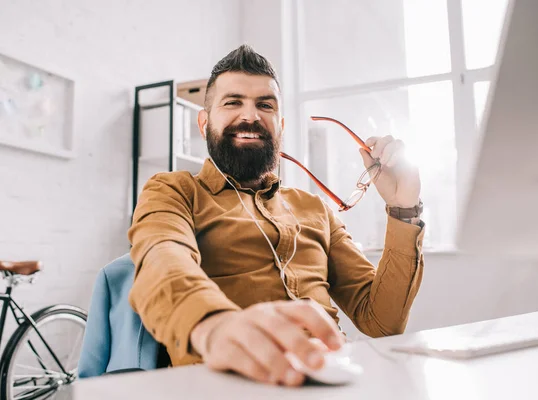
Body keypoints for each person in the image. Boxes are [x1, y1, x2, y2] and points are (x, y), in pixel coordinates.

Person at [128, 44, 425, 387]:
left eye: (265, 105)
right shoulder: (173, 191)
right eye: (232, 102)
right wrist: (214, 325)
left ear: (280, 126)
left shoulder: (315, 209)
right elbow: (162, 260)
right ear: (204, 121)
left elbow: (382, 321)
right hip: (225, 386)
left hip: (332, 379)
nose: (251, 116)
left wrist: (404, 210)